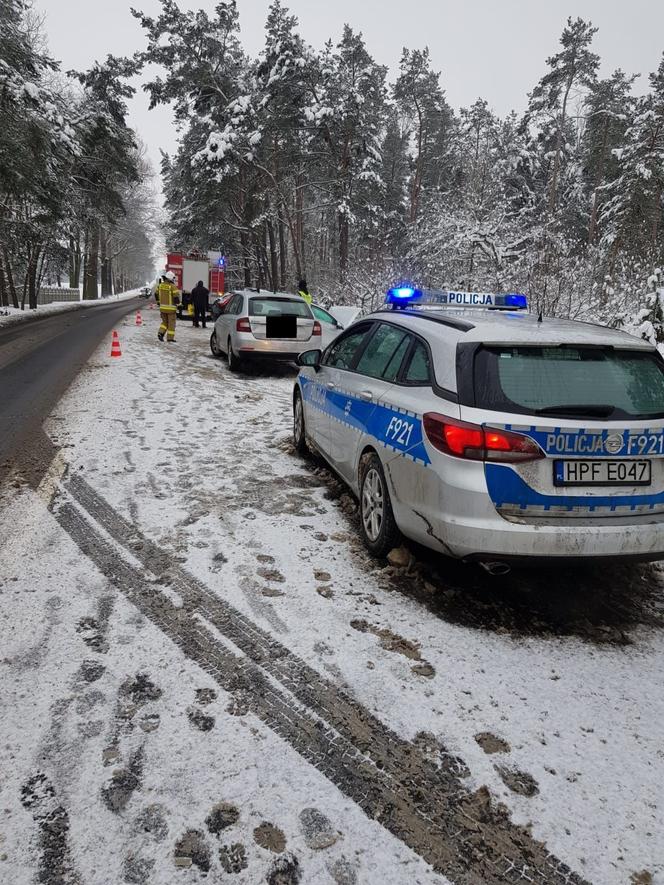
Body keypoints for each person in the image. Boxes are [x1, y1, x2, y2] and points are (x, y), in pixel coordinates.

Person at [155, 271, 181, 342]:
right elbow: (176, 298)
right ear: (171, 278)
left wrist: (158, 302)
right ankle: (170, 338)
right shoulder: (172, 286)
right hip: (171, 310)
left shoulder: (160, 285)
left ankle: (160, 333)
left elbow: (156, 294)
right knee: (171, 324)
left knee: (164, 322)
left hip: (162, 308)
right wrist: (179, 305)